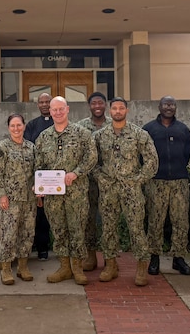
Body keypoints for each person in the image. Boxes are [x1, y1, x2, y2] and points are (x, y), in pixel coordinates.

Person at [94, 97, 158, 286]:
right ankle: (110, 265)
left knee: (136, 228)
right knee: (108, 228)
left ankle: (141, 268)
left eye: (121, 108)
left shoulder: (139, 134)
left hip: (132, 191)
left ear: (127, 111)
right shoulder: (100, 135)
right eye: (114, 108)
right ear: (110, 111)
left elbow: (152, 161)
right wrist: (101, 178)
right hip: (109, 190)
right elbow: (91, 161)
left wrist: (137, 180)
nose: (118, 111)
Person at [34, 96, 97, 285]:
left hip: (76, 192)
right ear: (50, 112)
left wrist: (76, 173)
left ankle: (77, 268)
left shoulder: (82, 133)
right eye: (54, 109)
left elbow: (91, 157)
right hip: (53, 195)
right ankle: (64, 267)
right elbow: (38, 164)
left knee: (77, 229)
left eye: (61, 109)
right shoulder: (43, 137)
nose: (58, 112)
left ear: (67, 109)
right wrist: (38, 186)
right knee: (59, 230)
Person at [143, 96, 190, 276]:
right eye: (166, 104)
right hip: (156, 181)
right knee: (155, 221)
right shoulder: (149, 129)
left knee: (180, 221)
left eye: (172, 105)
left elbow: (187, 154)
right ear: (159, 106)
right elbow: (143, 155)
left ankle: (178, 258)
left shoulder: (183, 129)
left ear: (175, 107)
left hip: (179, 181)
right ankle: (154, 257)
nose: (169, 107)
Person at [0, 114, 36, 285]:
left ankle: (23, 267)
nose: (16, 129)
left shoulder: (31, 148)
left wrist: (38, 189)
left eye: (19, 125)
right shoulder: (3, 147)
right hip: (9, 201)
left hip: (29, 200)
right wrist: (1, 194)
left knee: (27, 234)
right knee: (8, 235)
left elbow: (36, 173)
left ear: (24, 126)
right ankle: (6, 269)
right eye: (12, 126)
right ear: (8, 128)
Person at [76, 91, 112, 271]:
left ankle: (110, 257)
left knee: (109, 219)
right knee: (88, 219)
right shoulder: (81, 127)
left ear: (106, 105)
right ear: (89, 106)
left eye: (100, 103)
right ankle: (90, 256)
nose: (97, 106)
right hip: (87, 181)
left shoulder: (114, 125)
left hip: (110, 181)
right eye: (94, 103)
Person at [24, 93, 53, 261]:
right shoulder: (32, 125)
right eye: (41, 102)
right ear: (37, 105)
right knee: (40, 215)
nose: (44, 105)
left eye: (47, 102)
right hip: (39, 176)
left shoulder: (59, 123)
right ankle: (42, 249)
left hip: (58, 176)